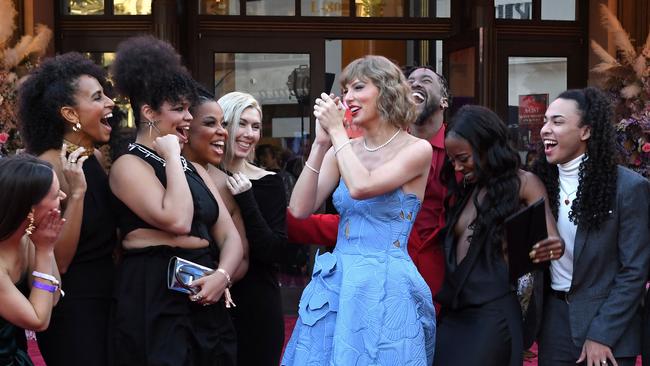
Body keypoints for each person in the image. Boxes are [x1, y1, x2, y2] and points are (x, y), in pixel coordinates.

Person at [282, 55, 436, 365]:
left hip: (386, 281)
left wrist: (339, 132)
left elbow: (362, 187)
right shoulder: (344, 149)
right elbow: (299, 209)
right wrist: (321, 143)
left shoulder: (417, 149)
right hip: (338, 279)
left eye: (358, 87)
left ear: (387, 91)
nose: (348, 97)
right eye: (345, 90)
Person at [109, 35, 243, 366]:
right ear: (148, 112)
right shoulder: (129, 164)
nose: (187, 118)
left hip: (203, 287)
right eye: (178, 109)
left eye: (188, 108)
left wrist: (222, 276)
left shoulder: (192, 165)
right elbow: (178, 220)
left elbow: (230, 237)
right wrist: (170, 155)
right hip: (153, 290)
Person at [433, 104, 564, 366]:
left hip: (491, 317)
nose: (457, 167)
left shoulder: (523, 183)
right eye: (452, 160)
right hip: (453, 314)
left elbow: (552, 235)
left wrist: (552, 246)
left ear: (486, 148)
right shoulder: (466, 190)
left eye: (463, 158)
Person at [532, 87, 650, 366]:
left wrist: (602, 334)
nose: (545, 129)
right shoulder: (536, 185)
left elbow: (634, 270)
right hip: (554, 324)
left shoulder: (628, 188)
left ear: (585, 131)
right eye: (545, 121)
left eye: (557, 122)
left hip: (609, 329)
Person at [17, 51, 117, 366]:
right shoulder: (49, 167)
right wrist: (77, 194)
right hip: (74, 307)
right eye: (98, 97)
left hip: (110, 297)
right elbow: (57, 260)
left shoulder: (97, 159)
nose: (111, 103)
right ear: (70, 114)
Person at [218, 91, 287, 366]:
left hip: (258, 306)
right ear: (223, 126)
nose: (249, 133)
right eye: (241, 123)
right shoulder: (198, 176)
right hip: (208, 304)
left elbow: (274, 251)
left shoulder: (269, 182)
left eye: (255, 126)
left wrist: (247, 200)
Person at [0, 155, 65, 365]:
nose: (63, 196)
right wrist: (45, 250)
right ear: (31, 209)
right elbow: (38, 319)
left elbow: (52, 299)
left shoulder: (25, 240)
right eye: (56, 194)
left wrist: (44, 247)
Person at [181, 85, 249, 282]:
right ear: (185, 128)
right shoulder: (158, 173)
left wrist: (219, 282)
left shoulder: (227, 184)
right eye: (211, 123)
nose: (223, 132)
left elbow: (242, 257)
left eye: (223, 124)